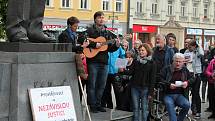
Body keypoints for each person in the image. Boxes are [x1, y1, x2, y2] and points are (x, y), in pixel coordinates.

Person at [85, 11, 119, 113]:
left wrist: (116, 45)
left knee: (101, 85)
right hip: (93, 61)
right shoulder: (90, 31)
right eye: (99, 17)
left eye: (103, 17)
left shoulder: (108, 33)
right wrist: (94, 45)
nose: (101, 19)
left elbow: (109, 49)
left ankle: (99, 104)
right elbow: (83, 39)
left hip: (104, 62)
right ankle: (92, 105)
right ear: (95, 19)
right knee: (92, 84)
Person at [123, 44, 156, 121]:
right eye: (140, 50)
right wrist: (123, 70)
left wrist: (150, 93)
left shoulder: (152, 63)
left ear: (147, 51)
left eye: (143, 50)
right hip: (135, 87)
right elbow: (131, 72)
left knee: (144, 108)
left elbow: (153, 79)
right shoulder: (136, 61)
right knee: (135, 107)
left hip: (145, 88)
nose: (141, 52)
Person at [160, 53, 191, 121]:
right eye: (176, 61)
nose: (178, 63)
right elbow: (159, 79)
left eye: (180, 62)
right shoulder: (167, 69)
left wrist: (187, 83)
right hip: (168, 94)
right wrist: (169, 84)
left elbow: (192, 78)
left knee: (187, 105)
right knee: (170, 105)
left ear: (183, 62)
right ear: (173, 61)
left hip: (180, 95)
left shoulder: (184, 70)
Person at [185, 39, 204, 119]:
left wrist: (198, 45)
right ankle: (185, 110)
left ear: (194, 46)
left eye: (190, 46)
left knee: (196, 94)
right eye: (188, 46)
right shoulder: (186, 52)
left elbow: (202, 54)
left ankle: (198, 112)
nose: (189, 48)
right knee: (185, 93)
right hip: (188, 74)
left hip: (196, 75)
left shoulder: (197, 52)